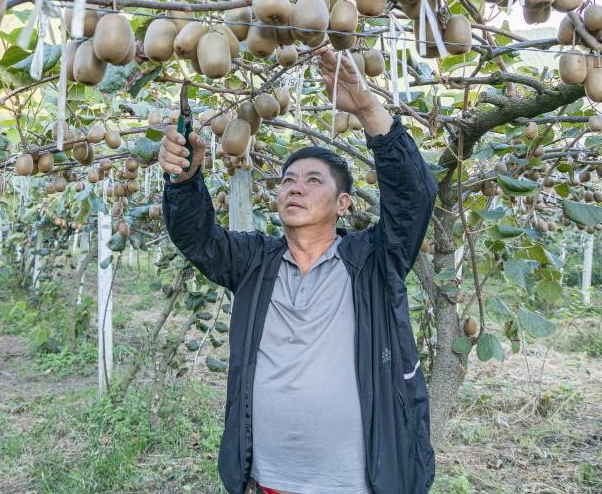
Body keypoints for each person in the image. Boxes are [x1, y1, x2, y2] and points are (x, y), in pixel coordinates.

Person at [157, 47, 439, 494]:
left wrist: (366, 107)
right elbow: (198, 238)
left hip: (357, 485)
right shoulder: (255, 262)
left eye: (313, 180)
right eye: (288, 180)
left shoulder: (372, 262)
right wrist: (183, 180)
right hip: (269, 482)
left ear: (342, 203)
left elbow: (413, 197)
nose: (295, 188)